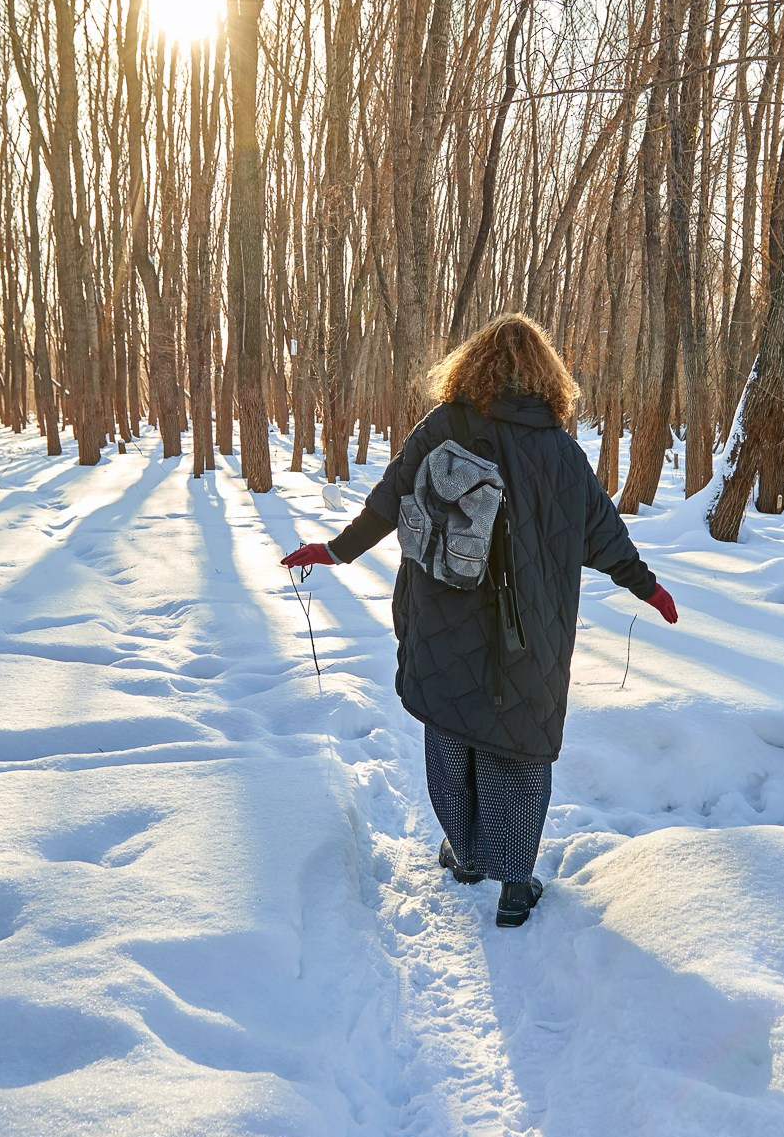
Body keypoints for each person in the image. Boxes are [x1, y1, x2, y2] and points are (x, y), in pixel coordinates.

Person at [282, 314, 677, 928]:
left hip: (445, 612)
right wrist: (647, 588)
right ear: (547, 376)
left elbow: (389, 499)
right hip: (534, 628)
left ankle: (467, 853)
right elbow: (605, 535)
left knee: (452, 727)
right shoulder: (560, 450)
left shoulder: (445, 427)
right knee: (517, 744)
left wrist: (337, 550)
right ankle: (514, 883)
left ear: (472, 365)